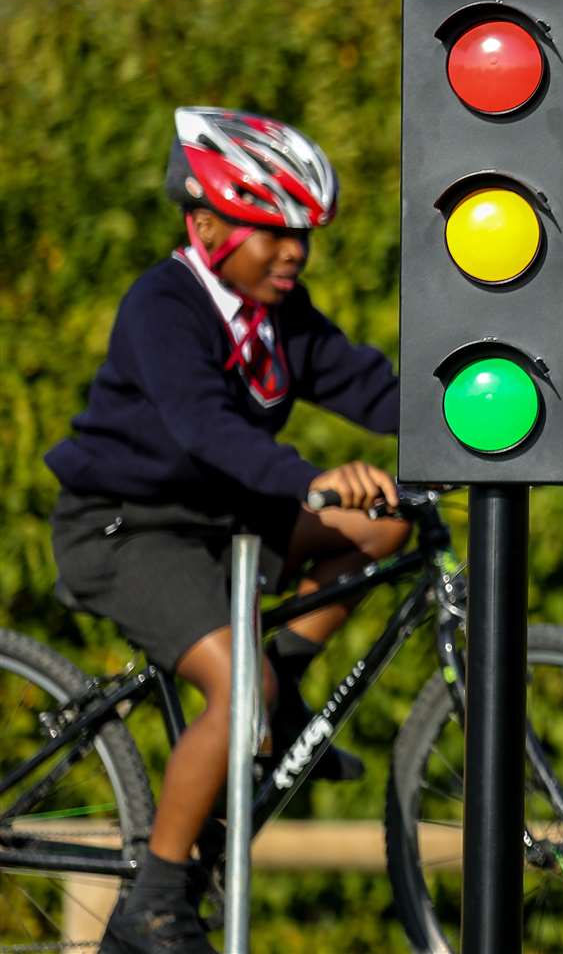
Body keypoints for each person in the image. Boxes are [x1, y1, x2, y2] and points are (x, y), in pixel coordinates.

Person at [46, 107, 410, 953]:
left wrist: (472, 428)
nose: (293, 253)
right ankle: (156, 903)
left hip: (224, 516)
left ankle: (272, 699)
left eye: (303, 236)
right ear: (205, 223)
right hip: (129, 528)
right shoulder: (163, 305)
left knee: (381, 530)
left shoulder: (282, 313)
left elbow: (365, 385)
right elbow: (203, 426)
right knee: (240, 692)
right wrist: (311, 480)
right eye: (271, 232)